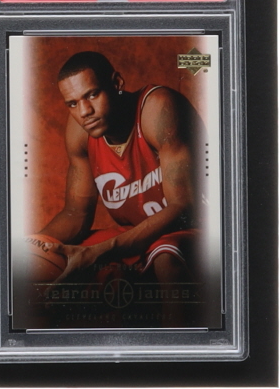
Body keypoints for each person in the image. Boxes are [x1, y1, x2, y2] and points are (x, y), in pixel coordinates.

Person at [38, 51, 206, 296]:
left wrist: (101, 251)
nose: (84, 111)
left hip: (197, 228)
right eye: (72, 103)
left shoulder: (157, 108)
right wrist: (34, 244)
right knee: (54, 258)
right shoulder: (79, 132)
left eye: (92, 94)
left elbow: (183, 206)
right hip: (138, 235)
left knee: (166, 258)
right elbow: (76, 213)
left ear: (116, 84)